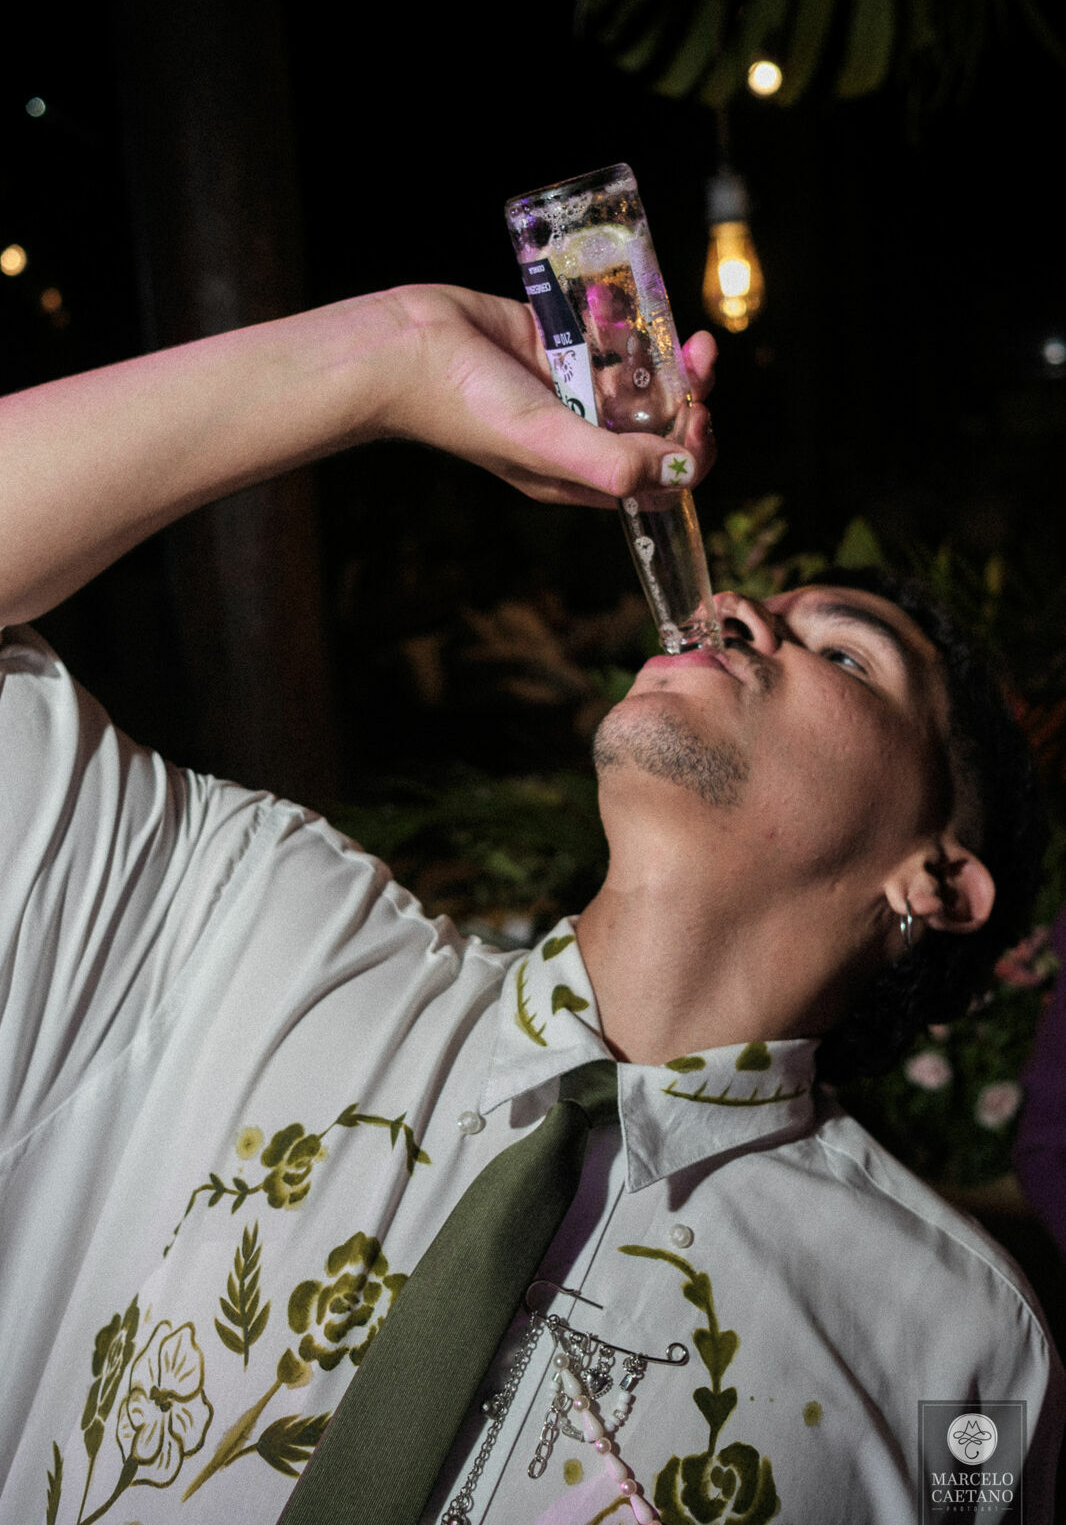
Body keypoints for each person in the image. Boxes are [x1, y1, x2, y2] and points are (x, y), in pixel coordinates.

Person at [0, 284, 1061, 1524]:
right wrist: (385, 360)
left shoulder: (962, 1355)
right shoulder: (246, 930)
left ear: (934, 879)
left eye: (840, 653)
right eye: (747, 607)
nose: (732, 614)